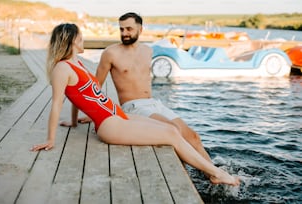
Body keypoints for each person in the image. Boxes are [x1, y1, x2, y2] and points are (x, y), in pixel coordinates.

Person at [30, 23, 239, 186]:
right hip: (108, 125)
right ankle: (216, 174)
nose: (83, 39)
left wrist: (74, 121)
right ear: (72, 40)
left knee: (172, 129)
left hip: (117, 115)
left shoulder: (78, 63)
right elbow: (57, 103)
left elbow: (77, 96)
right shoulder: (62, 69)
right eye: (80, 36)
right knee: (170, 135)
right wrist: (50, 139)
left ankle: (211, 171)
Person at [93, 12, 212, 163]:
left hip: (154, 103)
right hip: (133, 107)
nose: (124, 33)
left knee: (194, 137)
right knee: (173, 129)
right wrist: (94, 111)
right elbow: (95, 86)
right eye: (121, 29)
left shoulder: (148, 51)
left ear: (140, 29)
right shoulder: (111, 53)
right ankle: (199, 170)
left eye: (129, 29)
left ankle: (214, 175)